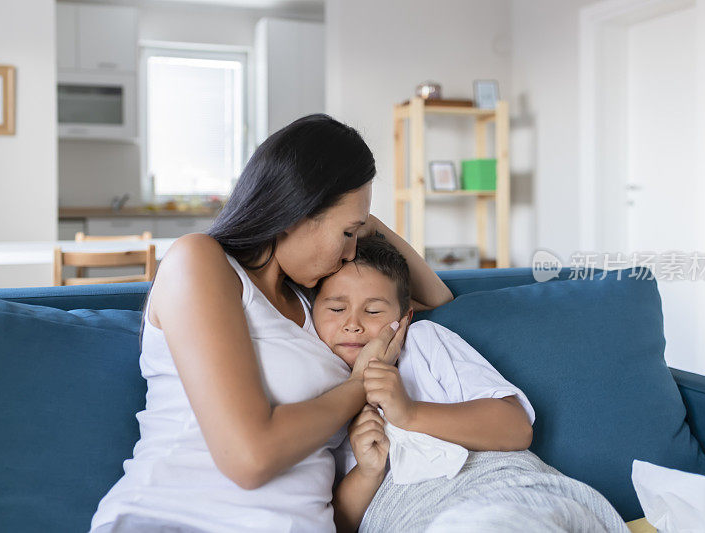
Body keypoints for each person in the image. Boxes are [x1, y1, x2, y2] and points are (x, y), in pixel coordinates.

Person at [89, 114, 453, 532]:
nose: (353, 252)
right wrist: (361, 384)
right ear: (299, 210)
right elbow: (250, 458)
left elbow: (433, 297)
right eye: (348, 234)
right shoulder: (202, 263)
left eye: (358, 234)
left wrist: (367, 222)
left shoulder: (317, 303)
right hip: (175, 519)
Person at [311, 236, 627, 533]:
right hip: (413, 515)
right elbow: (332, 523)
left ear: (405, 318)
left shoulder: (423, 342)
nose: (352, 324)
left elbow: (517, 429)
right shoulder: (315, 384)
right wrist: (367, 472)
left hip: (506, 487)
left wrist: (410, 413)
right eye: (336, 309)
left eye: (374, 311)